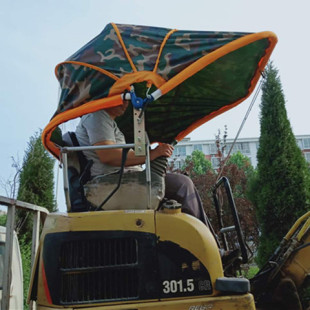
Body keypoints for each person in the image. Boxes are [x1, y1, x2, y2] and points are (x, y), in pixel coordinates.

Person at [75, 100, 208, 224]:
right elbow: (109, 155)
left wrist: (154, 154)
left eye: (128, 97)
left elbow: (120, 154)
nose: (126, 102)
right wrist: (152, 154)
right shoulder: (97, 116)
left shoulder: (107, 122)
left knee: (182, 184)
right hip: (112, 182)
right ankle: (201, 243)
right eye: (123, 96)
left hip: (119, 180)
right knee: (182, 184)